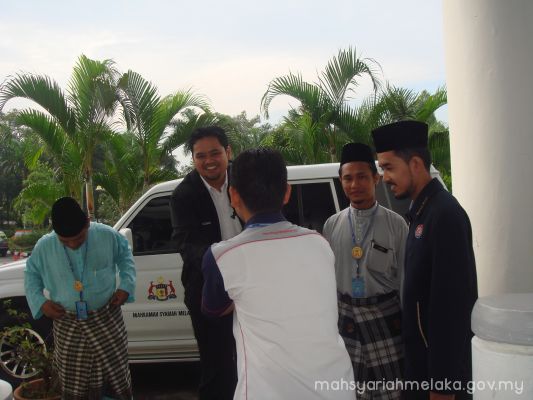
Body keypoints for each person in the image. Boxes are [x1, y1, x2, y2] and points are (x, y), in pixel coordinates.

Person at [201, 148, 355, 400]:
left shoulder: (222, 257)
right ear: (287, 192)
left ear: (233, 195)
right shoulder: (319, 243)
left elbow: (213, 309)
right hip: (337, 387)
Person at [372, 120, 478, 400]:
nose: (384, 177)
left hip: (439, 383)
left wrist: (443, 387)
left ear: (416, 164)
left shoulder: (445, 215)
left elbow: (452, 310)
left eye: (389, 167)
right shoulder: (421, 213)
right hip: (421, 372)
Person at [24, 196, 136, 399]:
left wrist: (126, 286)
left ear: (87, 223)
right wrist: (41, 302)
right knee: (72, 383)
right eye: (65, 241)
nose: (73, 244)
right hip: (67, 325)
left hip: (107, 319)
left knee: (117, 379)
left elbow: (125, 257)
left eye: (78, 238)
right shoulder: (44, 246)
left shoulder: (107, 235)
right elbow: (31, 275)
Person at [322, 143, 407, 399]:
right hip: (346, 322)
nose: (354, 184)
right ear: (341, 180)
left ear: (375, 179)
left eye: (361, 177)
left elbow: (405, 281)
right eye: (348, 178)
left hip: (385, 322)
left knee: (392, 392)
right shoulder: (331, 225)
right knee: (349, 391)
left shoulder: (396, 225)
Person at [170, 126, 242, 400]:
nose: (209, 161)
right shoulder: (183, 195)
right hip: (207, 291)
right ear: (193, 159)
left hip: (251, 286)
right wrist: (222, 258)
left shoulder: (246, 179)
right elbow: (185, 244)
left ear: (228, 151)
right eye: (201, 156)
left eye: (215, 153)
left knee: (257, 357)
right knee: (217, 366)